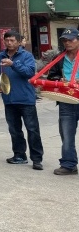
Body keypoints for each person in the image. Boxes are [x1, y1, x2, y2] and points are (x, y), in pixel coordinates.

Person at [0, 30, 43, 171]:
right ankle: (19, 155)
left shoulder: (27, 56)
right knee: (14, 130)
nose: (9, 43)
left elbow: (30, 72)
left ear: (19, 42)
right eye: (7, 40)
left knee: (32, 129)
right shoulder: (0, 56)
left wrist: (13, 64)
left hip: (26, 99)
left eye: (12, 40)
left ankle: (37, 159)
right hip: (9, 98)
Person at [48, 28, 79, 175]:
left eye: (71, 39)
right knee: (66, 134)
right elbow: (51, 76)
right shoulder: (59, 58)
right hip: (66, 100)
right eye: (65, 40)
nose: (67, 43)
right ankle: (69, 164)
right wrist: (58, 80)